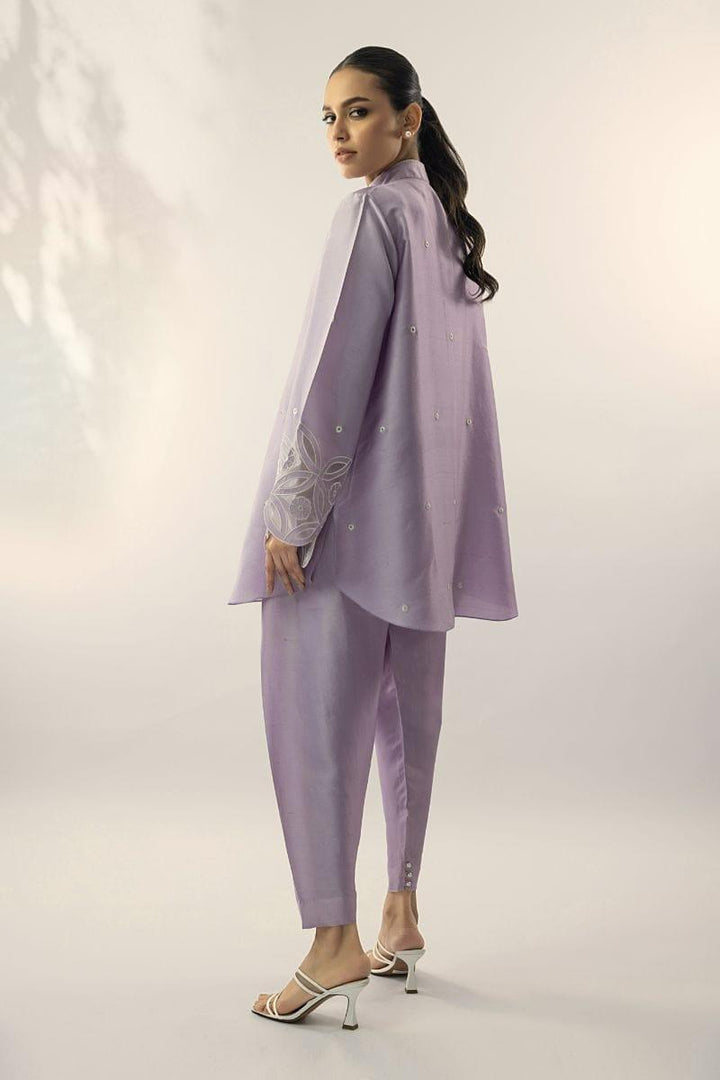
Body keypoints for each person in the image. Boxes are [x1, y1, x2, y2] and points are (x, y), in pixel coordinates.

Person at [227, 45, 518, 1029]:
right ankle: (401, 910)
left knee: (314, 720)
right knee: (408, 718)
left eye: (357, 111)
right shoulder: (443, 223)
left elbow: (335, 375)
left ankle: (331, 943)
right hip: (424, 529)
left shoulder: (371, 215)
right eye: (328, 116)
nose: (339, 134)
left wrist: (291, 517)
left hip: (350, 532)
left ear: (410, 118)